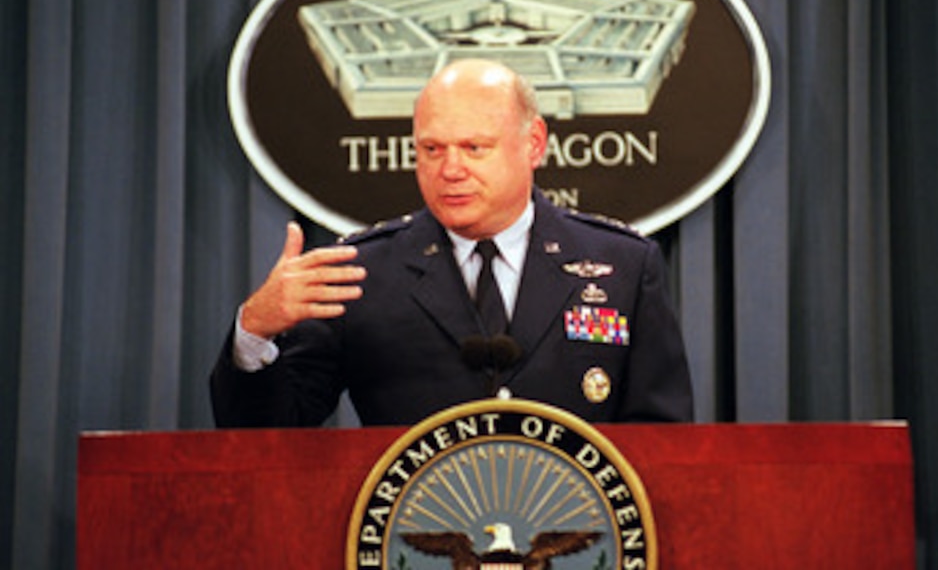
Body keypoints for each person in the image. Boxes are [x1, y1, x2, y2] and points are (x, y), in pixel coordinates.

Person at [210, 58, 693, 427]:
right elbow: (267, 436)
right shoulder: (361, 274)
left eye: (474, 148)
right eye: (431, 149)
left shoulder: (622, 266)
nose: (451, 170)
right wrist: (255, 330)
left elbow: (665, 443)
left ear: (534, 144)